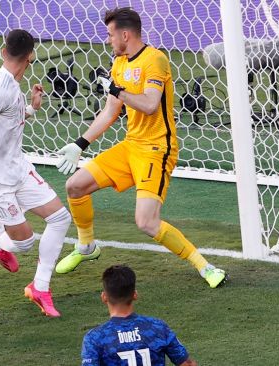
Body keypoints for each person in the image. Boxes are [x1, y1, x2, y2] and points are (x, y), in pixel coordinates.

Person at [55, 7, 226, 288]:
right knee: (75, 186)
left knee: (146, 222)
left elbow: (148, 105)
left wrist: (117, 90)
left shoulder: (154, 59)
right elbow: (110, 113)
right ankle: (86, 247)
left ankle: (205, 267)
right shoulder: (119, 64)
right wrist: (80, 144)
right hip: (131, 145)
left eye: (111, 35)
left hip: (157, 149)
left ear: (125, 34)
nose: (108, 40)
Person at [0, 29, 72, 317]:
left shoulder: (11, 85)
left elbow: (5, 123)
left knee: (60, 218)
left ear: (3, 51)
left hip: (17, 168)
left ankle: (40, 287)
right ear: (30, 56)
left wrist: (31, 109)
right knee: (24, 242)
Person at [81, 265, 198, 366]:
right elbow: (187, 363)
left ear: (104, 297)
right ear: (135, 295)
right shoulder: (158, 327)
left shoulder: (94, 338)